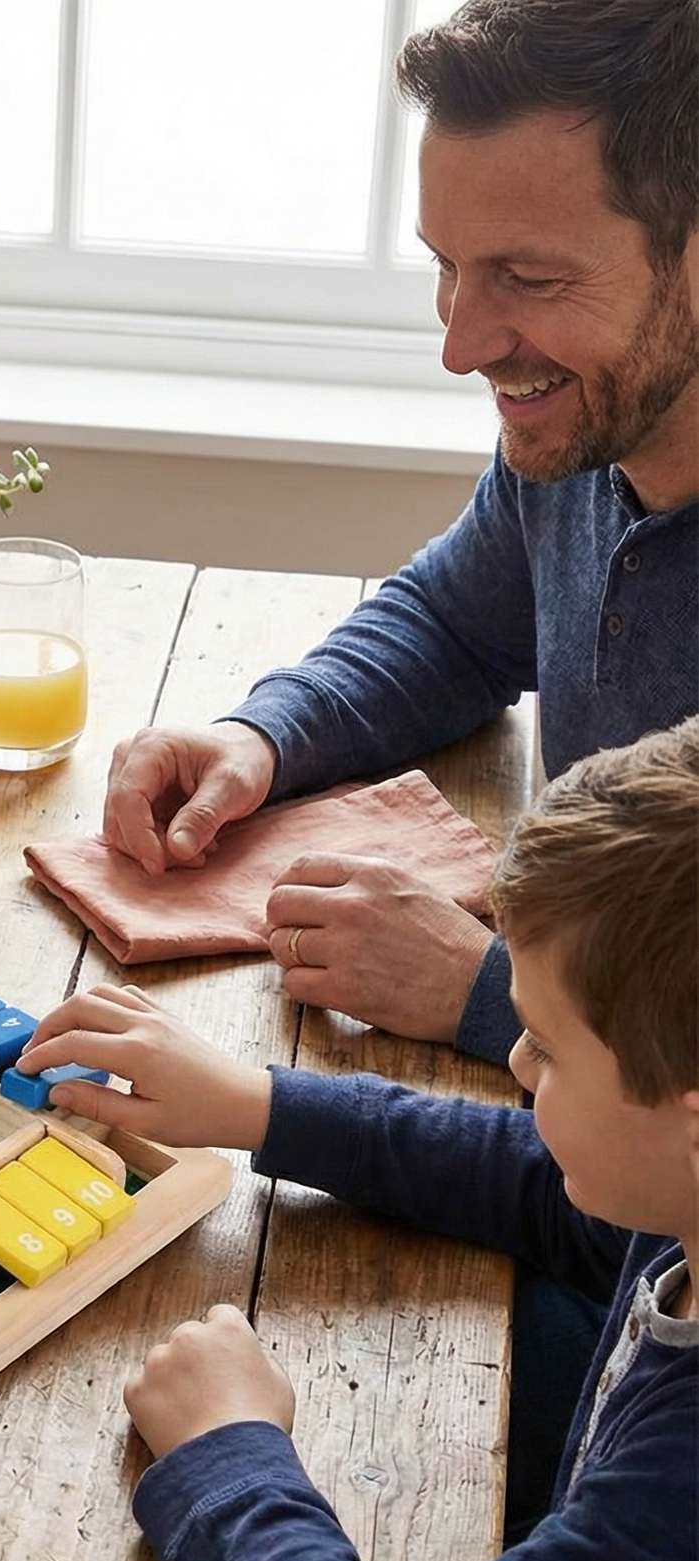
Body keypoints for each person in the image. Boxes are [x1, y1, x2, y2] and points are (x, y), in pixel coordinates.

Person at [19, 719, 698, 1561]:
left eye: (538, 1041)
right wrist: (264, 1104)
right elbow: (556, 1181)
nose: (515, 1056)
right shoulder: (675, 1193)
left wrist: (228, 1451)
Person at [102, 0, 696, 1062]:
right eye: (444, 265)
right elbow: (453, 625)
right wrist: (264, 735)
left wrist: (487, 993)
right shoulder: (582, 434)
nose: (460, 346)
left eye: (526, 277)